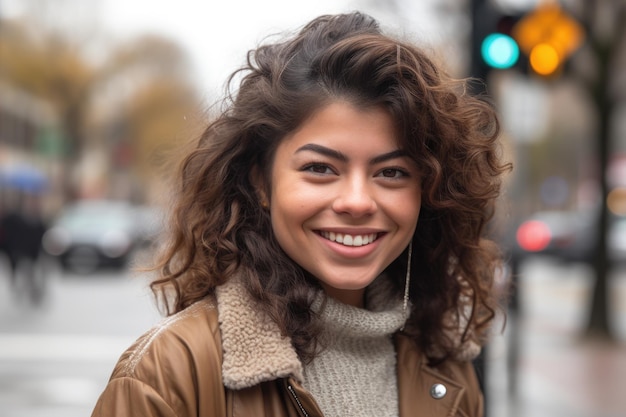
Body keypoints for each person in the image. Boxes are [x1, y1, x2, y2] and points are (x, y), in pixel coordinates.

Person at [91, 11, 511, 417]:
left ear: (429, 191)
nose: (358, 201)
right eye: (320, 169)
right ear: (260, 182)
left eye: (392, 172)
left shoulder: (448, 373)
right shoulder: (166, 376)